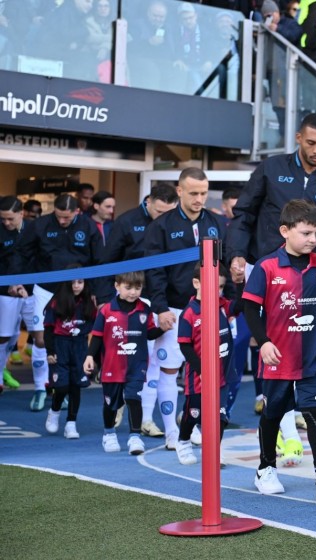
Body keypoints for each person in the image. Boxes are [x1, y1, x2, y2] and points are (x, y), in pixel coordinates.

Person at [227, 113, 316, 422]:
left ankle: (303, 405)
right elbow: (244, 214)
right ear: (298, 138)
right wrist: (236, 255)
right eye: (312, 142)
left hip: (311, 279)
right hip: (267, 274)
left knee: (308, 341)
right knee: (265, 344)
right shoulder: (271, 168)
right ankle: (274, 419)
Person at [243, 200, 316, 498]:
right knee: (273, 412)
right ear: (285, 231)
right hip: (278, 356)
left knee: (315, 409)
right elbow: (250, 308)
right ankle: (265, 468)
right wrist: (264, 342)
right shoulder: (267, 267)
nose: (312, 240)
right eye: (305, 233)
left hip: (312, 355)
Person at [145, 168, 228, 450]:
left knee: (206, 373)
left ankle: (190, 427)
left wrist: (226, 304)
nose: (199, 198)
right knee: (169, 370)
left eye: (203, 193)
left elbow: (223, 265)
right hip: (174, 308)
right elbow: (154, 271)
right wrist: (160, 308)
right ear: (179, 191)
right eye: (193, 193)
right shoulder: (161, 226)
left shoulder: (216, 223)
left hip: (209, 310)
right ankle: (171, 432)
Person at [97, 184, 178, 438]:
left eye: (170, 212)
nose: (164, 217)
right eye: (160, 211)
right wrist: (103, 298)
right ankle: (121, 402)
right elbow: (108, 259)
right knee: (127, 358)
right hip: (132, 300)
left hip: (163, 300)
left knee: (154, 363)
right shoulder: (127, 221)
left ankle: (146, 418)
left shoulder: (176, 223)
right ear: (149, 201)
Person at [10, 194, 102, 412]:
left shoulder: (88, 227)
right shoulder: (40, 225)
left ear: (77, 212)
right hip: (45, 289)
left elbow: (99, 260)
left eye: (67, 217)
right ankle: (41, 387)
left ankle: (62, 387)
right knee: (42, 340)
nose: (62, 221)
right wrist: (17, 281)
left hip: (76, 291)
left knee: (70, 339)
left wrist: (96, 292)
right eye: (59, 216)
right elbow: (21, 254)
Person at [84, 271, 164, 455]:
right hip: (112, 366)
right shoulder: (106, 310)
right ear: (117, 286)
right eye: (128, 288)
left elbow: (149, 333)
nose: (133, 292)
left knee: (133, 398)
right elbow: (96, 337)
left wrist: (162, 329)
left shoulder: (145, 309)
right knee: (111, 403)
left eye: (137, 288)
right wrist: (89, 356)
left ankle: (135, 437)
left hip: (137, 364)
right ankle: (109, 434)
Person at [174, 263, 237, 466]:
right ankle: (183, 441)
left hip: (222, 376)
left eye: (220, 287)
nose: (216, 291)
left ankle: (212, 452)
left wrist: (240, 281)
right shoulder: (189, 314)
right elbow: (185, 347)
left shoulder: (222, 305)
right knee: (194, 414)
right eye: (212, 286)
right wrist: (202, 370)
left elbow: (241, 305)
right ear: (196, 283)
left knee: (221, 417)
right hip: (198, 378)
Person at [43, 274, 97, 439]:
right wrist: (50, 351)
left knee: (76, 387)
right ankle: (54, 410)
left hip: (79, 347)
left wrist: (90, 354)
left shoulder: (88, 302)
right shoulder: (56, 301)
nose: (76, 285)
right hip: (60, 346)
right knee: (61, 386)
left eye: (80, 281)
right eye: (73, 282)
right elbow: (48, 329)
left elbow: (93, 327)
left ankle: (71, 424)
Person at [0, 196, 29, 394]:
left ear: (21, 213)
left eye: (10, 218)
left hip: (30, 291)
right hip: (5, 291)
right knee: (4, 336)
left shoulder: (33, 229)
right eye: (3, 219)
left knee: (16, 336)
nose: (6, 223)